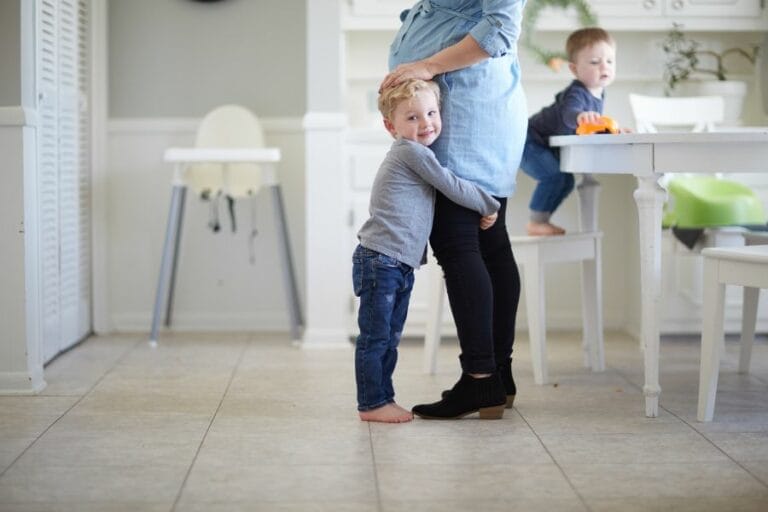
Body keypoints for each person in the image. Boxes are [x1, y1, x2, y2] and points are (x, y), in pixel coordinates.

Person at [380, 0, 527, 420]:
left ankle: (481, 380)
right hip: (464, 109)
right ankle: (497, 376)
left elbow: (499, 28)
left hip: (465, 113)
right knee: (489, 244)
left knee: (459, 243)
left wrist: (425, 65)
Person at [354, 78, 501, 423]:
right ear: (391, 126)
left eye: (432, 113)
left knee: (389, 336)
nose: (426, 123)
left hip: (394, 262)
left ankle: (380, 398)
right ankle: (373, 403)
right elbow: (451, 184)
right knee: (377, 338)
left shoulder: (417, 154)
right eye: (412, 118)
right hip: (381, 259)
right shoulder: (411, 153)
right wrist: (488, 205)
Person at [521, 27, 617, 236]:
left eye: (610, 61)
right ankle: (535, 222)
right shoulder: (576, 92)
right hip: (529, 140)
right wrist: (579, 116)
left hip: (543, 144)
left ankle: (541, 220)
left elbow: (593, 126)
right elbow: (569, 113)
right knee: (553, 176)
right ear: (574, 69)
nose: (604, 66)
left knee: (566, 180)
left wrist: (613, 130)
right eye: (594, 62)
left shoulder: (599, 93)